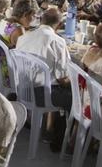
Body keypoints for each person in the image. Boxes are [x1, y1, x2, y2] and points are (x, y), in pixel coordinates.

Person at [15, 8, 71, 145]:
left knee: (52, 81)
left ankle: (49, 129)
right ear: (59, 25)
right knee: (75, 96)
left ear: (41, 20)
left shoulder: (24, 36)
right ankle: (66, 141)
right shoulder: (57, 41)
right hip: (42, 95)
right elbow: (62, 77)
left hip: (22, 88)